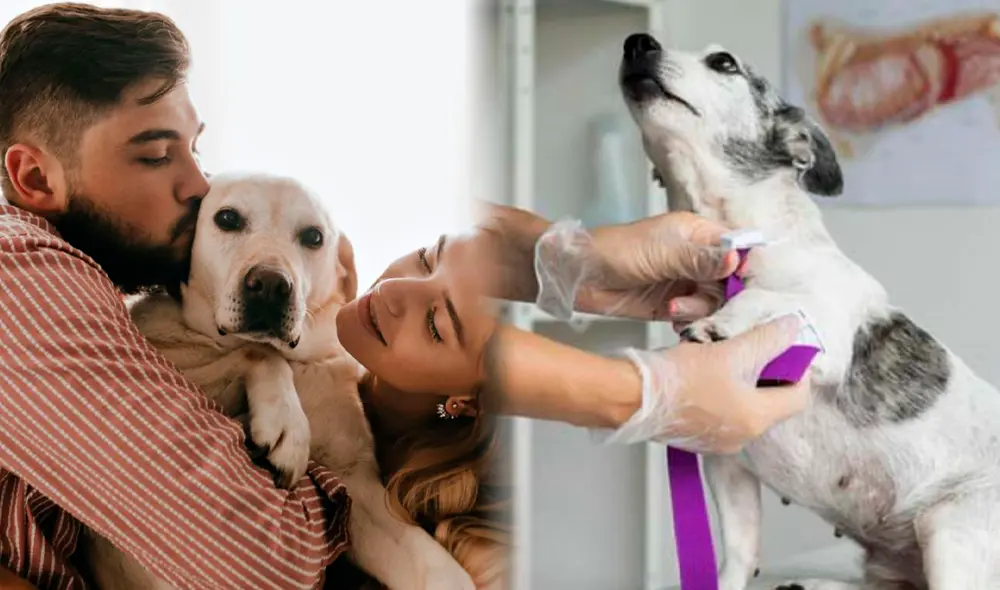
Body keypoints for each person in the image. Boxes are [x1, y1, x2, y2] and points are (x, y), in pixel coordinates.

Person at [0, 4, 350, 589]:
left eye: (195, 149)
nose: (198, 185)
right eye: (157, 156)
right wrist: (352, 473)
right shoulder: (21, 279)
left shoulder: (94, 294)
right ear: (36, 179)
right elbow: (265, 564)